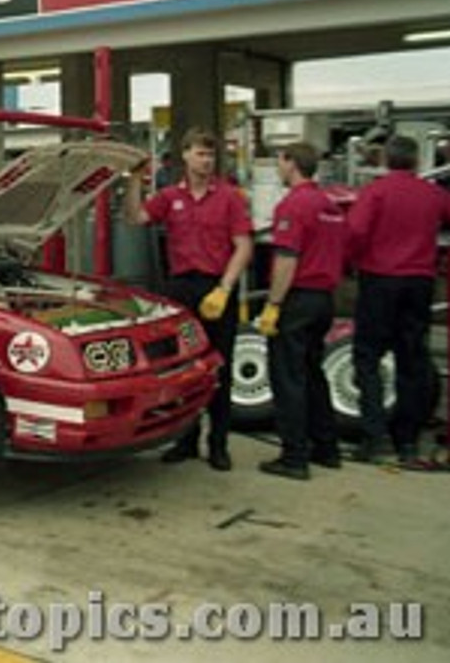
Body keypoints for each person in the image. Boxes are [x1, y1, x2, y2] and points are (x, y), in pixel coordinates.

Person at [125, 128, 253, 471]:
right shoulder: (169, 197)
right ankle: (186, 440)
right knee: (183, 370)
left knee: (219, 368)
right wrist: (135, 180)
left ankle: (219, 444)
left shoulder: (230, 197)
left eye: (210, 155)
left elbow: (243, 246)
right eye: (200, 153)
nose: (206, 161)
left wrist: (225, 289)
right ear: (184, 155)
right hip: (180, 289)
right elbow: (136, 217)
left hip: (216, 285)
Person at [347, 135, 450, 463]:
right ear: (417, 161)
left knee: (367, 358)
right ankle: (407, 441)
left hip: (379, 279)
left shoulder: (375, 192)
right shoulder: (434, 194)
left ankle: (374, 438)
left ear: (385, 161)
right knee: (412, 360)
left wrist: (353, 262)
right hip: (419, 281)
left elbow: (356, 233)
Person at [254, 142, 347, 480]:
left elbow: (286, 260)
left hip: (297, 298)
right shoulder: (328, 204)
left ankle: (294, 456)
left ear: (292, 164)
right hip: (324, 298)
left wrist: (273, 305)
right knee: (312, 372)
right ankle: (326, 448)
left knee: (287, 377)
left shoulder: (293, 205)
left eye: (280, 161)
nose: (278, 168)